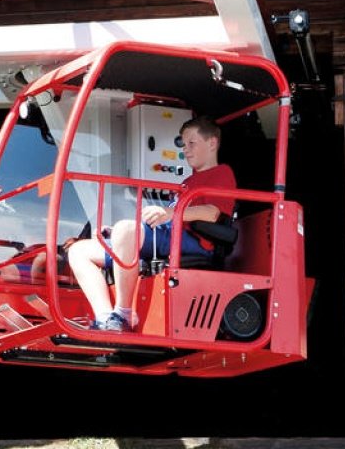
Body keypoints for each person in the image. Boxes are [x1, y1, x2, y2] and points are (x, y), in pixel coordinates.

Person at [66, 115, 236, 331]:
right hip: (169, 235)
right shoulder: (187, 181)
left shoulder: (221, 173)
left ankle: (123, 314)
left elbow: (212, 213)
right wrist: (116, 233)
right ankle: (105, 318)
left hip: (193, 240)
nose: (186, 150)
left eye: (192, 143)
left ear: (212, 143)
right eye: (184, 145)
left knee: (126, 229)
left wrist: (169, 212)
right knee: (79, 251)